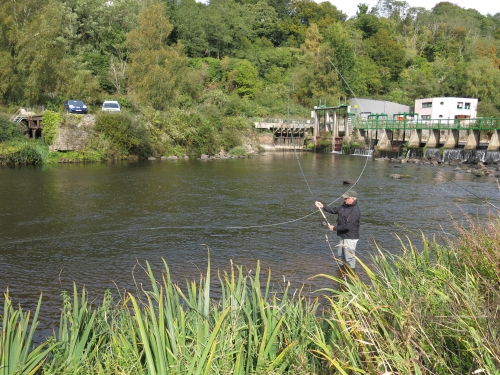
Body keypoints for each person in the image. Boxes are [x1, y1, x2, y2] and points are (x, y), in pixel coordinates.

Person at [315, 191, 361, 270]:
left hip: (350, 237)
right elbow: (334, 210)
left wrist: (334, 228)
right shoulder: (344, 206)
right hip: (342, 235)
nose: (344, 200)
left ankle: (352, 274)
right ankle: (341, 272)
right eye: (344, 198)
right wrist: (323, 206)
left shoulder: (355, 211)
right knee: (341, 256)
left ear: (353, 199)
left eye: (346, 198)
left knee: (349, 258)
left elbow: (348, 226)